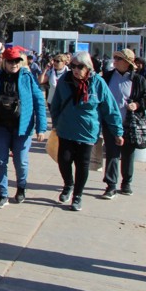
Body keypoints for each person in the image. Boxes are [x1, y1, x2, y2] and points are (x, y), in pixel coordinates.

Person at [51, 51, 122, 211]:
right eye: (73, 66)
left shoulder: (98, 83)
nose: (76, 70)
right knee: (64, 160)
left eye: (80, 67)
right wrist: (55, 123)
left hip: (88, 132)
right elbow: (56, 103)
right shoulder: (65, 80)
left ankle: (77, 196)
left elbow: (110, 109)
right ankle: (68, 184)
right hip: (66, 129)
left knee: (82, 164)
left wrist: (117, 131)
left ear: (88, 67)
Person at [0, 47, 47, 208]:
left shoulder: (27, 77)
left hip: (22, 127)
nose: (14, 64)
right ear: (4, 61)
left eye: (17, 61)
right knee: (0, 161)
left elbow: (39, 101)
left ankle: (21, 188)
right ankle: (2, 193)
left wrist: (41, 127)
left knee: (21, 162)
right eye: (11, 61)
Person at [101, 49, 146, 198]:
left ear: (128, 62)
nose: (115, 60)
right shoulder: (108, 76)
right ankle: (111, 185)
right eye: (115, 58)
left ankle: (126, 183)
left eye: (119, 58)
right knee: (112, 154)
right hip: (110, 123)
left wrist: (137, 104)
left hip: (129, 123)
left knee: (128, 154)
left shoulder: (137, 79)